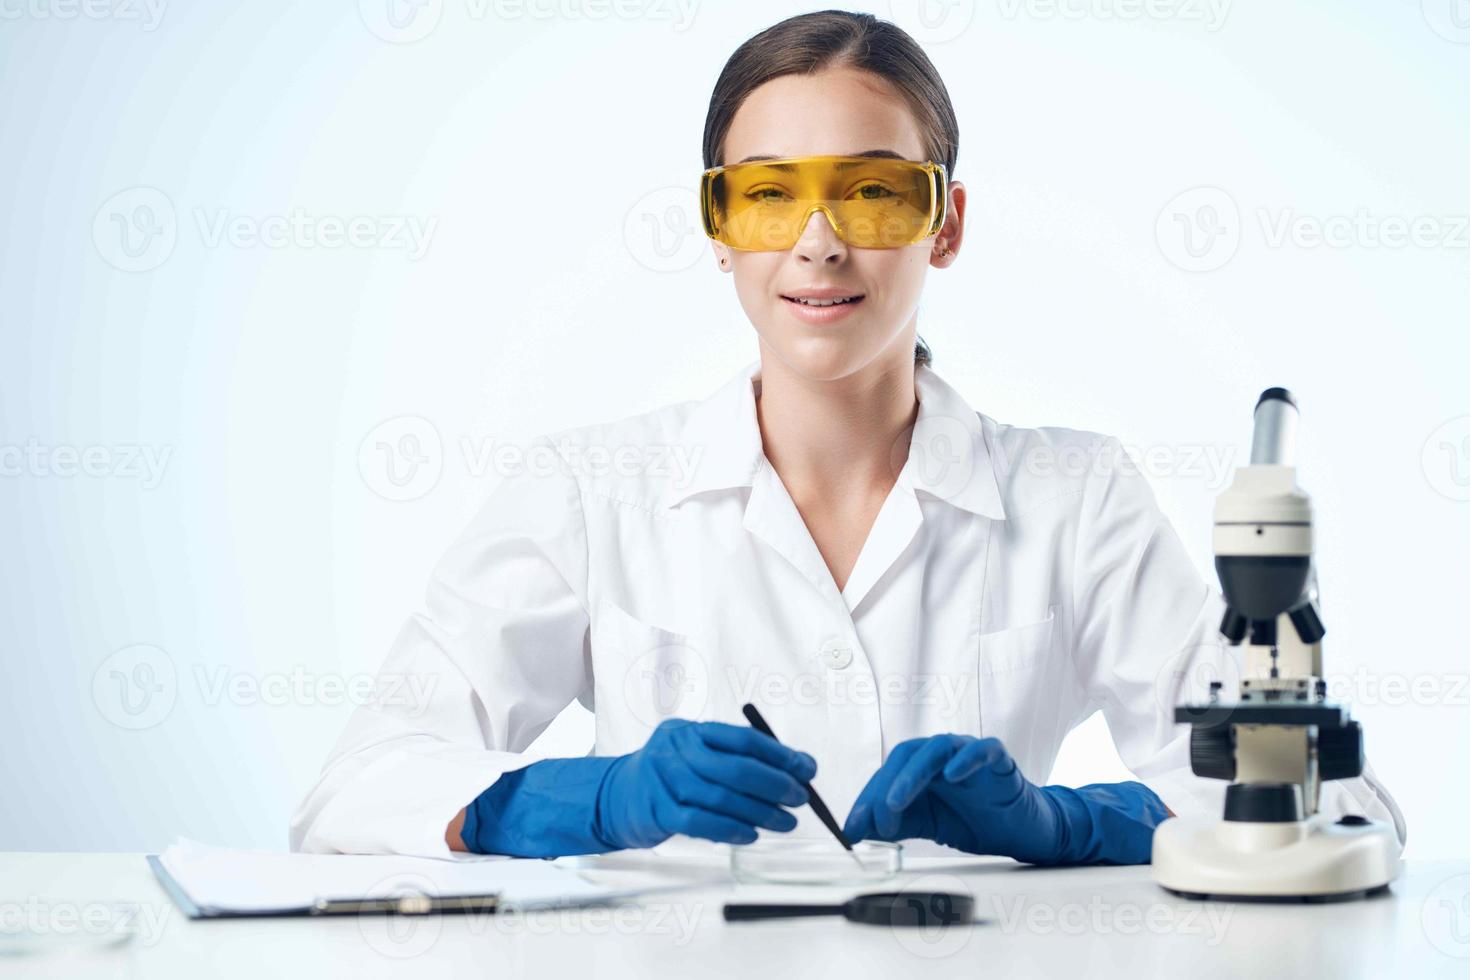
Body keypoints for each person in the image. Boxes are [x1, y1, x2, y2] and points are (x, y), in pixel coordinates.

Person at [290, 10, 1404, 864]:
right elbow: (352, 794)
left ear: (946, 224)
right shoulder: (589, 493)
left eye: (872, 193)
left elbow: (1342, 814)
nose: (819, 243)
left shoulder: (1077, 496)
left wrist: (1068, 822)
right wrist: (587, 798)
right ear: (718, 226)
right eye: (770, 196)